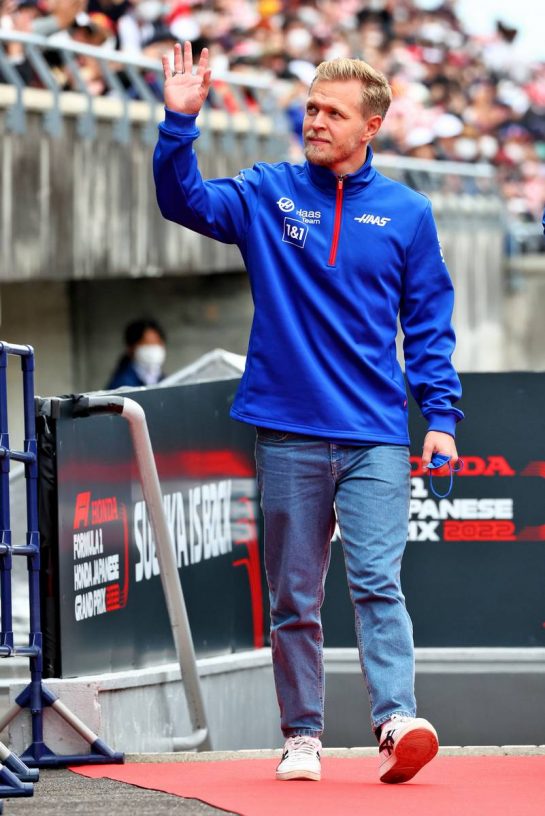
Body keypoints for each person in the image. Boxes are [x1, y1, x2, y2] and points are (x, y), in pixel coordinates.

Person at [153, 42, 463, 785]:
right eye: (311, 109)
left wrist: (441, 417)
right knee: (293, 596)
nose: (316, 122)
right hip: (288, 430)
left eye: (333, 113)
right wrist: (178, 124)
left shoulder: (409, 213)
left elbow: (428, 324)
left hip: (376, 434)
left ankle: (395, 721)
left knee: (377, 582)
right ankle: (302, 735)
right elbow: (183, 201)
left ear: (371, 127)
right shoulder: (267, 191)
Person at [105, 318, 167, 389]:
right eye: (146, 343)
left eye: (157, 343)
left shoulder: (163, 379)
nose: (153, 348)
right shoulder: (122, 385)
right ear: (131, 348)